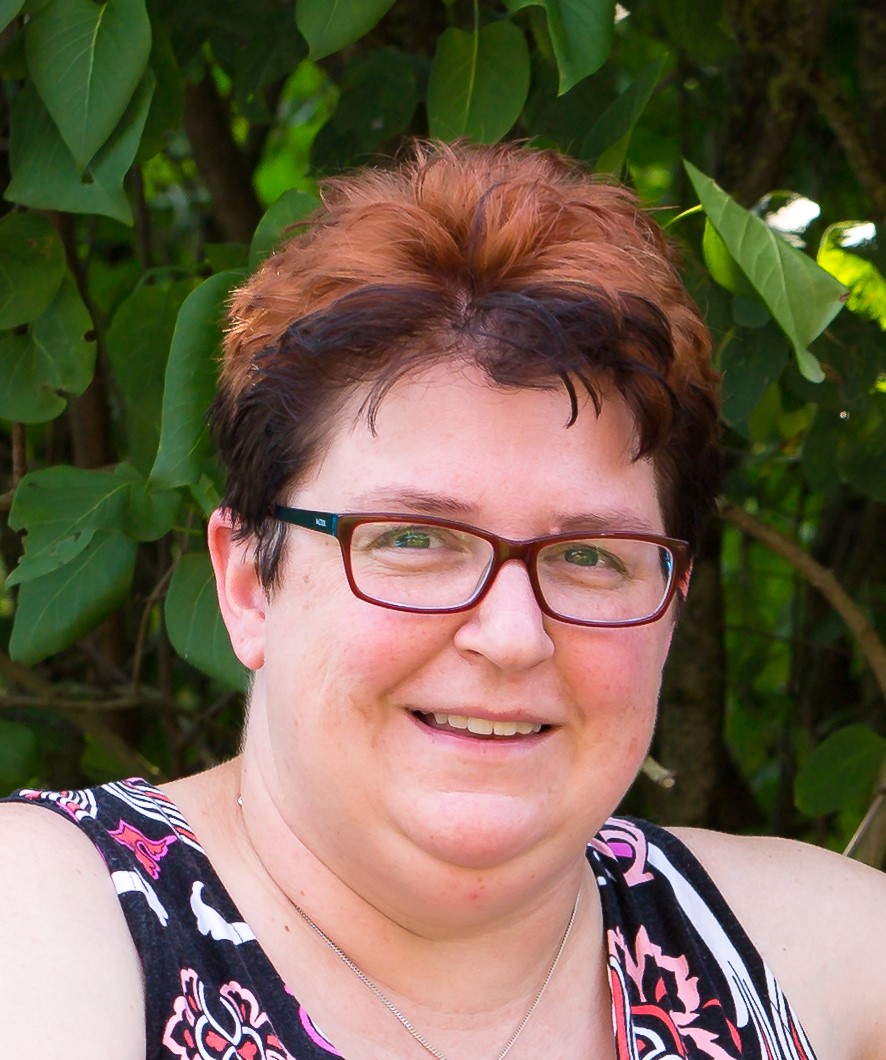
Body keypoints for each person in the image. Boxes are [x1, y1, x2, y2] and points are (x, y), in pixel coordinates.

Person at [1, 141, 884, 1060]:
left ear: (670, 610)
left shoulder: (827, 965)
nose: (513, 636)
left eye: (589, 555)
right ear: (249, 583)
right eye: (415, 540)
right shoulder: (44, 923)